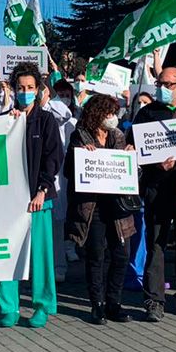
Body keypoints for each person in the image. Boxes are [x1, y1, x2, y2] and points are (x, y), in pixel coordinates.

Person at [128, 65, 176, 322]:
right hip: (157, 188)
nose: (163, 88)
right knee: (156, 244)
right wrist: (154, 162)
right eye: (160, 83)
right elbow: (135, 148)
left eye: (169, 84)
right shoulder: (146, 113)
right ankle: (154, 301)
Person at [0, 61, 63, 329]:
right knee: (7, 255)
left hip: (39, 200)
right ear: (13, 89)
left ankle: (42, 306)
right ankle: (9, 307)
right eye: (20, 87)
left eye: (30, 87)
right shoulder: (4, 120)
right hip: (8, 201)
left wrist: (42, 190)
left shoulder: (46, 120)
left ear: (38, 90)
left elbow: (52, 158)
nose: (25, 91)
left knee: (41, 256)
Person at [64, 95, 137, 324]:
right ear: (98, 113)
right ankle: (97, 305)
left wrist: (130, 157)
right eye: (109, 113)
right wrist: (81, 156)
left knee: (121, 255)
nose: (113, 118)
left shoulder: (117, 135)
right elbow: (68, 171)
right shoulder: (80, 135)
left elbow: (131, 173)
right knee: (96, 255)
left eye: (115, 113)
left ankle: (114, 302)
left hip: (117, 206)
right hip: (92, 206)